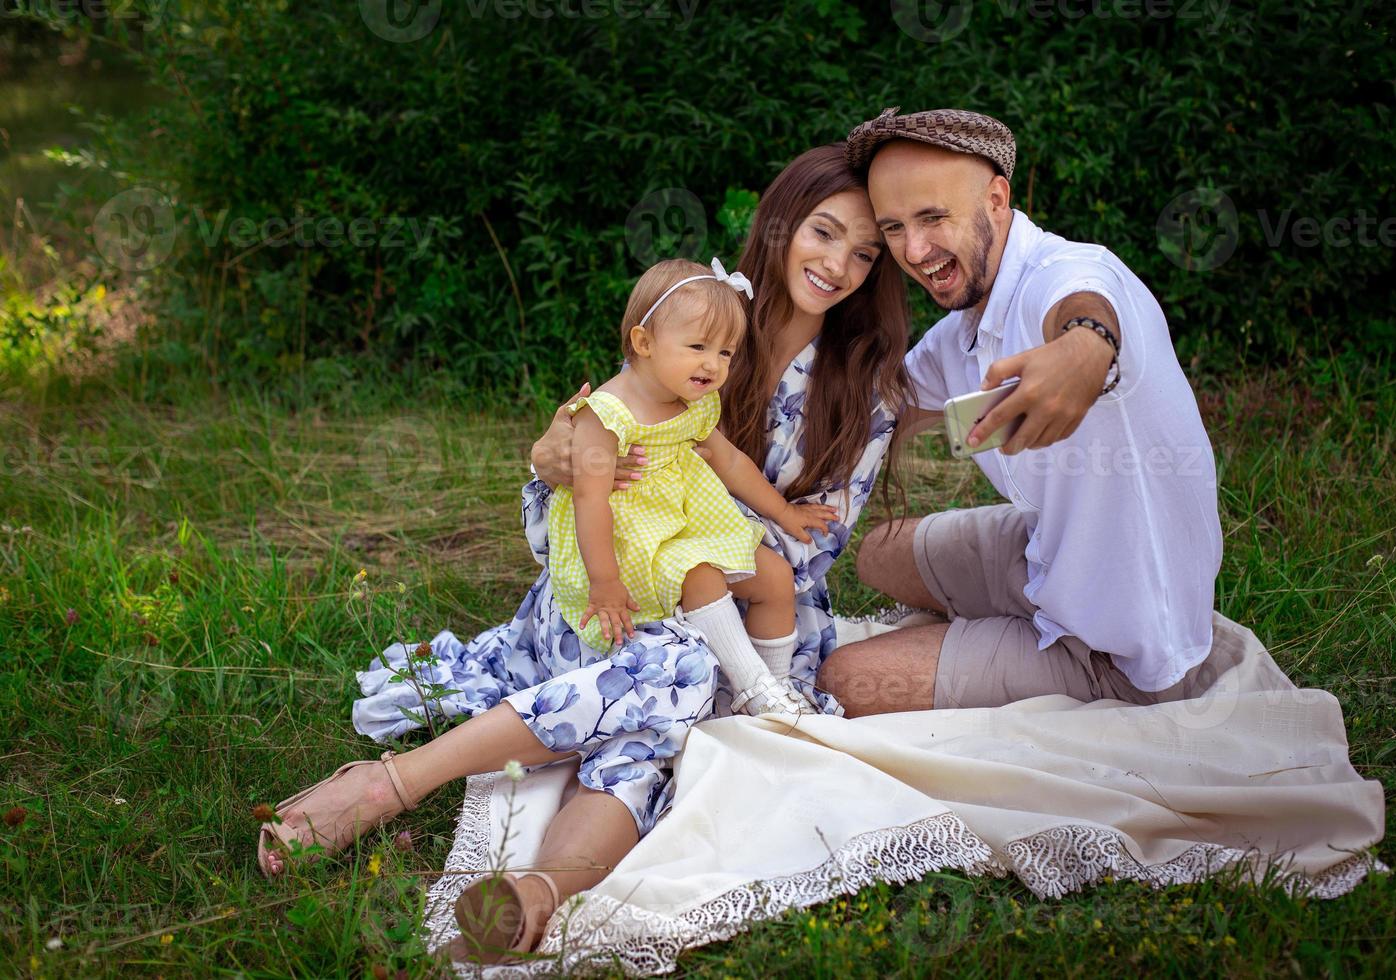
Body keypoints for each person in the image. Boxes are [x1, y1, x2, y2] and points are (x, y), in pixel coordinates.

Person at [255, 142, 911, 962]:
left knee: (669, 700)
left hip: (738, 620)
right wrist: (554, 461)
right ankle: (402, 792)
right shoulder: (686, 321)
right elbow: (573, 505)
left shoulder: (866, 384)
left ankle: (528, 886)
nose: (839, 264)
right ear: (780, 228)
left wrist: (693, 540)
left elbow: (811, 548)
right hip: (612, 597)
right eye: (823, 233)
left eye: (865, 253)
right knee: (665, 684)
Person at [818, 107, 1229, 715]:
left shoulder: (1065, 274)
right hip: (1047, 555)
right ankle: (974, 635)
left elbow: (1088, 313)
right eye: (895, 228)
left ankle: (990, 651)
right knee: (880, 551)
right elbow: (882, 407)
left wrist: (1083, 351)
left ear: (996, 199)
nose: (915, 250)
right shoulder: (963, 328)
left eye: (933, 218)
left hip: (1117, 650)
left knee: (845, 679)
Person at [548, 255, 836, 714]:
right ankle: (755, 690)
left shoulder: (693, 403)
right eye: (698, 346)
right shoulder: (608, 414)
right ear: (643, 342)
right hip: (630, 540)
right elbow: (589, 499)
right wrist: (604, 582)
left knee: (776, 575)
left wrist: (784, 512)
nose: (714, 364)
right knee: (701, 575)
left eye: (725, 352)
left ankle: (774, 685)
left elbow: (733, 463)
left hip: (685, 523)